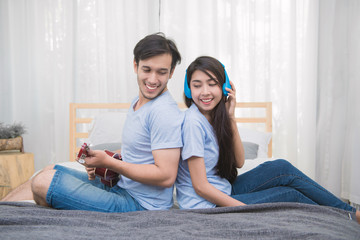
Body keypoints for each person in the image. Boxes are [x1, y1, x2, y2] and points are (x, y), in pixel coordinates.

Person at [2, 33, 184, 213]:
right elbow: (138, 152)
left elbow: (166, 176)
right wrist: (100, 160)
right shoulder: (138, 102)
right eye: (147, 69)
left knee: (43, 182)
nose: (153, 80)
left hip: (140, 205)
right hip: (120, 186)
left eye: (161, 72)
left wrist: (110, 163)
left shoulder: (164, 112)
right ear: (135, 65)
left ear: (171, 72)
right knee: (48, 170)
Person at [175, 56, 360, 224]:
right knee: (289, 194)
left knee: (281, 167)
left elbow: (239, 162)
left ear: (224, 87)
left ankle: (349, 213)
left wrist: (231, 117)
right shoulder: (193, 122)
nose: (204, 92)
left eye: (212, 84)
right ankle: (346, 218)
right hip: (205, 206)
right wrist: (244, 208)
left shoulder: (216, 118)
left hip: (222, 190)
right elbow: (200, 187)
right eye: (197, 85)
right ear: (188, 89)